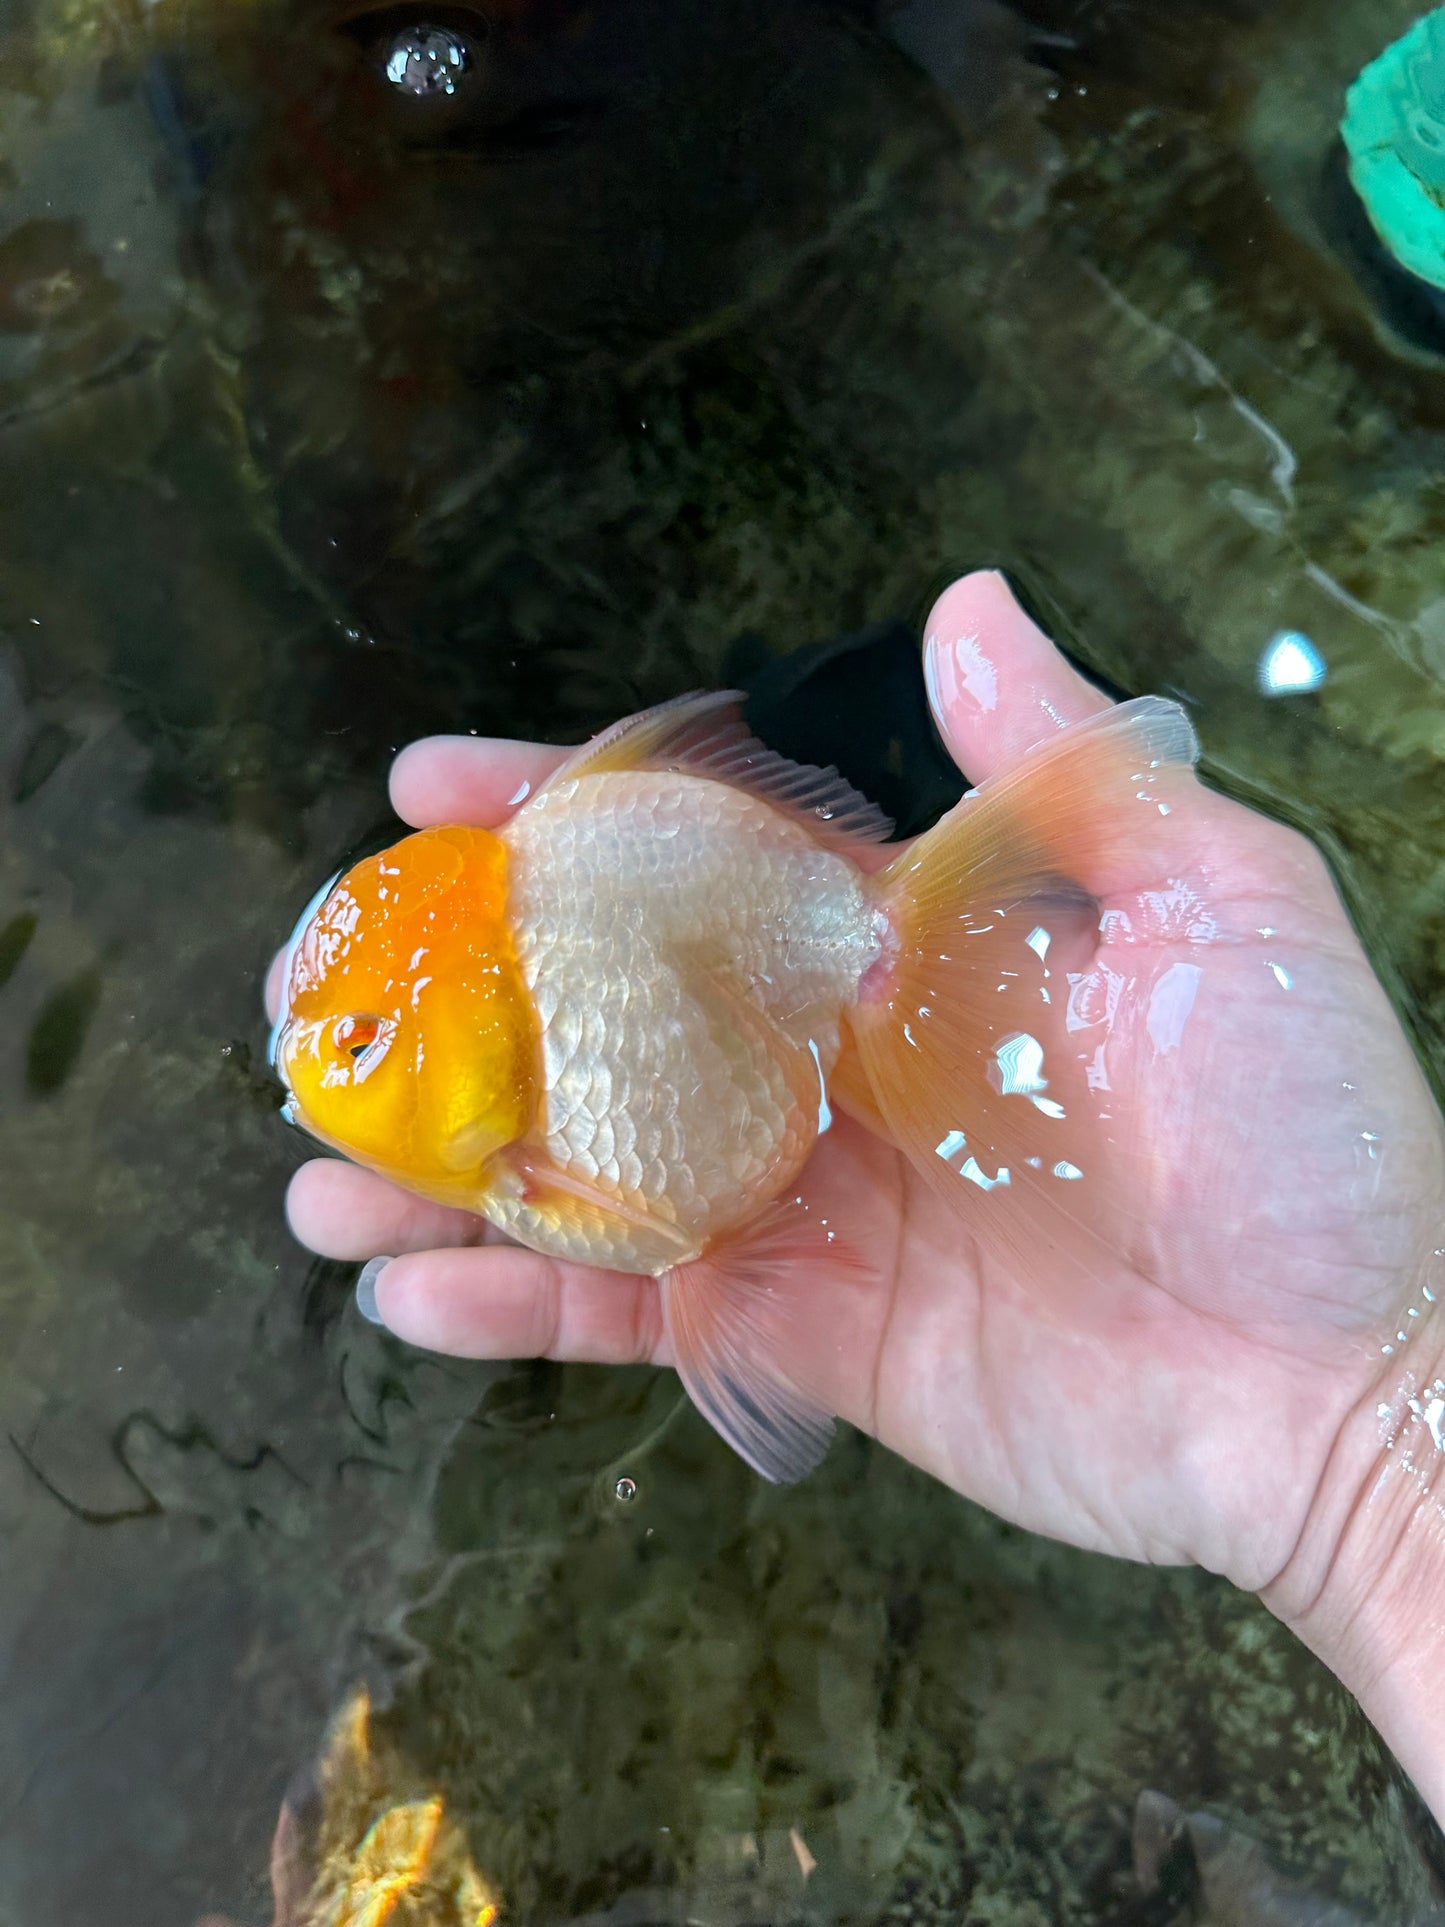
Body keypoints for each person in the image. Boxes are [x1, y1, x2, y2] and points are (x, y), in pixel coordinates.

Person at [271, 570, 1445, 1822]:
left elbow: (669, 1228)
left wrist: (1371, 1442)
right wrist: (1371, 1458)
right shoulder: (520, 1039)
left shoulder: (535, 1135)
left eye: (350, 1051)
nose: (312, 1074)